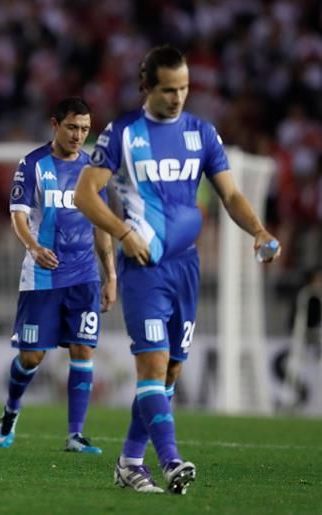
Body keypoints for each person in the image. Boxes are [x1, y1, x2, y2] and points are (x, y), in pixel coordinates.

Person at [75, 45, 280, 494]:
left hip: (185, 266)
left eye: (185, 88)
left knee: (169, 373)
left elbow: (230, 195)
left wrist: (259, 231)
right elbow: (85, 196)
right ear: (147, 86)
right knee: (152, 365)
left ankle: (129, 462)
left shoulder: (202, 134)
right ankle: (170, 462)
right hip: (143, 266)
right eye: (169, 89)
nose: (178, 97)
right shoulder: (123, 134)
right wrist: (125, 234)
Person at [0, 97, 116, 453]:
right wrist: (33, 247)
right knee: (32, 357)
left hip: (84, 277)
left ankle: (75, 435)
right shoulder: (32, 164)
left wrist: (111, 275)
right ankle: (11, 411)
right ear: (55, 124)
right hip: (43, 276)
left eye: (84, 129)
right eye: (72, 127)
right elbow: (18, 215)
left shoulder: (93, 168)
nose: (79, 135)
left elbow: (101, 223)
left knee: (83, 350)